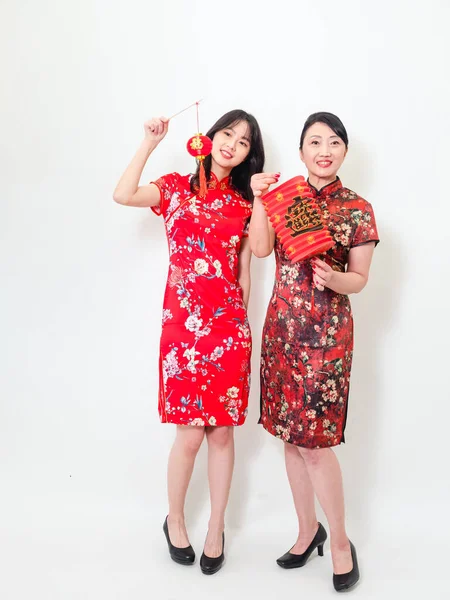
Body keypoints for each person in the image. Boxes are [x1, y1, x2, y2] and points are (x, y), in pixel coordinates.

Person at [113, 109, 265, 575]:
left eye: (242, 143)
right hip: (182, 327)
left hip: (227, 329)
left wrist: (241, 328)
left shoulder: (243, 203)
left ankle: (216, 526)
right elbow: (123, 194)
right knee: (189, 436)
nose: (231, 145)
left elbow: (249, 268)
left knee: (222, 432)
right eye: (227, 134)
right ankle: (174, 519)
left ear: (246, 156)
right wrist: (149, 142)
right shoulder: (177, 187)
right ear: (210, 136)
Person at [249, 112, 379, 592]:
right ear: (302, 151)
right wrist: (261, 200)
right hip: (282, 331)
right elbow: (261, 249)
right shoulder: (285, 198)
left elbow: (360, 280)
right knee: (289, 437)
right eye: (314, 142)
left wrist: (336, 278)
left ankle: (341, 542)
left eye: (334, 142)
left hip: (326, 340)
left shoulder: (358, 208)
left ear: (345, 151)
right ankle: (308, 531)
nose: (324, 150)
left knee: (317, 447)